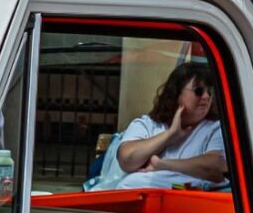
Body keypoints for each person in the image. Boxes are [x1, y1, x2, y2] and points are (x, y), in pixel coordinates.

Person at [92, 60, 228, 190]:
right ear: (177, 94)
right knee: (131, 183)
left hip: (186, 196)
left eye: (209, 91)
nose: (206, 97)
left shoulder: (216, 127)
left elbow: (215, 167)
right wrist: (169, 136)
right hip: (142, 197)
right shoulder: (147, 124)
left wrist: (162, 165)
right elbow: (127, 160)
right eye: (199, 91)